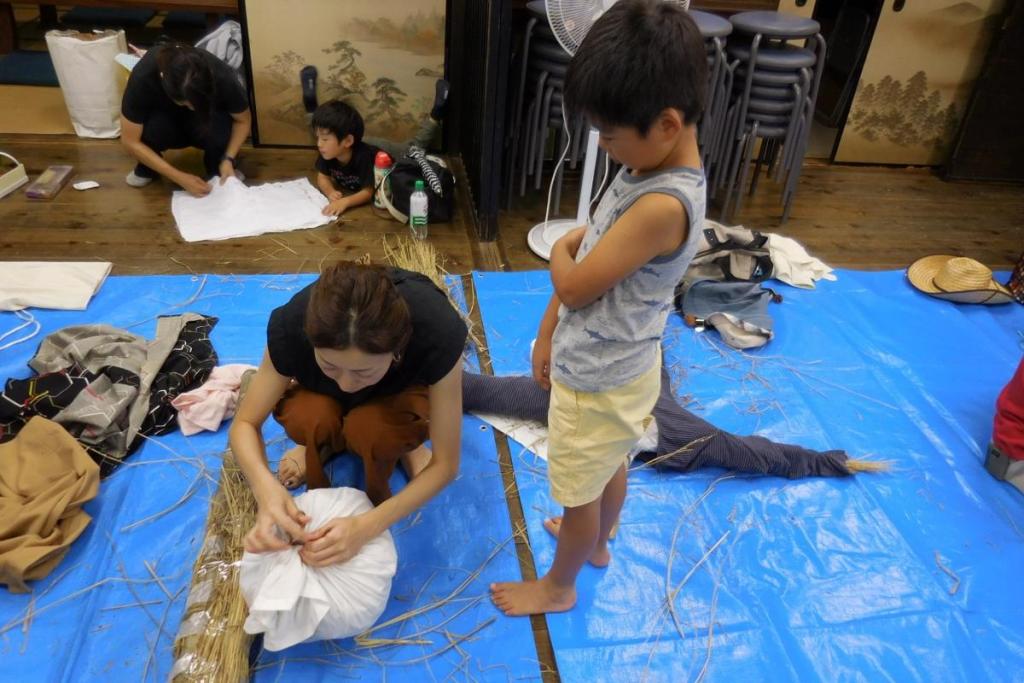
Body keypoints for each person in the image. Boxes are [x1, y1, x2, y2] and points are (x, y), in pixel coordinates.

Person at [490, 0, 708, 616]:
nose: (605, 147)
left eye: (610, 135)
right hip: (624, 368)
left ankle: (559, 585)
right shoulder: (649, 162)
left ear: (666, 123)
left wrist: (558, 248)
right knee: (611, 462)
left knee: (578, 492)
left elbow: (579, 278)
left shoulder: (663, 204)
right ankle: (600, 540)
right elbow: (589, 260)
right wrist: (544, 331)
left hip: (599, 377)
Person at [230, 262, 467, 568]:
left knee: (374, 430)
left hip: (394, 394)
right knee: (311, 416)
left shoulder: (436, 332)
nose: (345, 384)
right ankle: (321, 442)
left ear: (397, 352)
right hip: (321, 394)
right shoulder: (293, 324)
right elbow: (245, 424)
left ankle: (404, 448)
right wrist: (266, 491)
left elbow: (446, 465)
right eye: (329, 365)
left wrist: (367, 526)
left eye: (362, 371)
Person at [120, 43, 251, 196]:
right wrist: (178, 177)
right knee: (148, 129)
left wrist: (229, 158)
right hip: (166, 123)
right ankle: (147, 167)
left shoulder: (220, 74)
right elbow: (130, 140)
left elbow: (243, 120)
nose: (192, 108)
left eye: (196, 103)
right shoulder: (144, 76)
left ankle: (218, 165)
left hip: (204, 123)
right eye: (186, 103)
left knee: (222, 124)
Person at [310, 79, 448, 217]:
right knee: (326, 131)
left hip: (384, 152)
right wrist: (330, 192)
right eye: (318, 138)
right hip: (355, 143)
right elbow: (322, 177)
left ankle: (435, 115)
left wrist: (345, 202)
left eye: (325, 139)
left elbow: (369, 191)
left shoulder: (364, 157)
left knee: (415, 148)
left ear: (347, 141)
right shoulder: (327, 151)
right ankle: (309, 103)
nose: (319, 144)